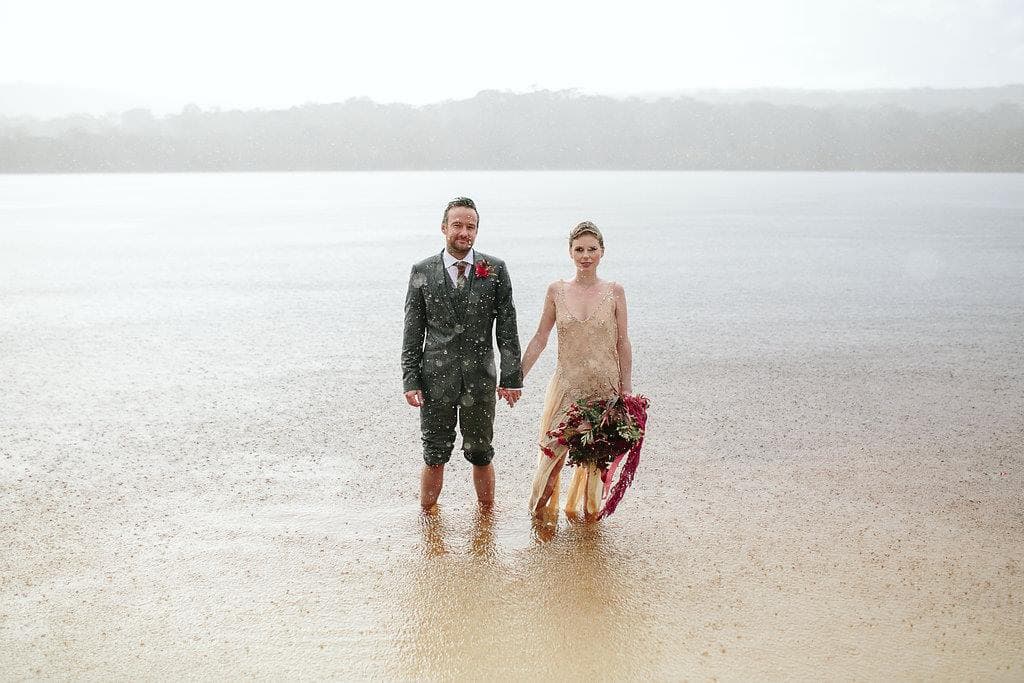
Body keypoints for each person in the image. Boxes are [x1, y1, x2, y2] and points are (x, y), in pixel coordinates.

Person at [402, 197, 523, 510]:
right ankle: (427, 525)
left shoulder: (494, 270)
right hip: (435, 380)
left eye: (471, 226)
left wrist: (512, 377)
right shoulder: (422, 270)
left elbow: (507, 327)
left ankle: (486, 525)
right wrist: (410, 379)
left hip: (480, 379)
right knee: (434, 453)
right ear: (444, 228)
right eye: (457, 225)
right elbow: (413, 331)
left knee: (482, 452)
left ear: (477, 230)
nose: (464, 232)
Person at [521, 221, 633, 518]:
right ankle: (538, 522)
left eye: (592, 249)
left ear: (602, 252)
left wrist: (626, 389)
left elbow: (623, 342)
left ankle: (588, 533)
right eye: (579, 249)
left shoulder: (615, 292)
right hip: (567, 386)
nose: (586, 255)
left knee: (594, 464)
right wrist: (516, 377)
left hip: (603, 389)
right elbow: (540, 338)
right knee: (551, 457)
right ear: (570, 252)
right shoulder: (556, 290)